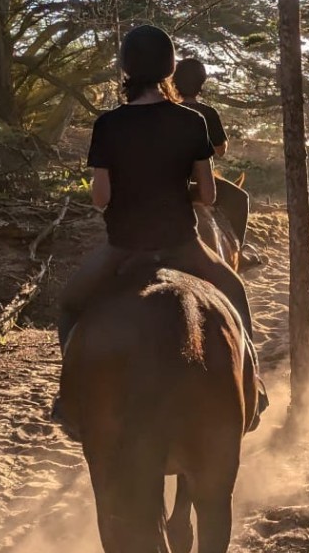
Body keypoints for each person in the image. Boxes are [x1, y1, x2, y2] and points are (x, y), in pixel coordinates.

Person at [53, 23, 266, 427]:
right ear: (169, 70)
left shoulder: (107, 125)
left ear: (126, 70)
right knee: (235, 294)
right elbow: (208, 195)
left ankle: (72, 398)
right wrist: (171, 190)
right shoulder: (191, 121)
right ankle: (254, 385)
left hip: (123, 248)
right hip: (181, 245)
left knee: (68, 306)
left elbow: (101, 198)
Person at [175, 54, 251, 258]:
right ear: (201, 85)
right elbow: (220, 150)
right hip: (198, 183)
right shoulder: (207, 113)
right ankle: (239, 252)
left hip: (166, 183)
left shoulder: (165, 111)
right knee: (240, 198)